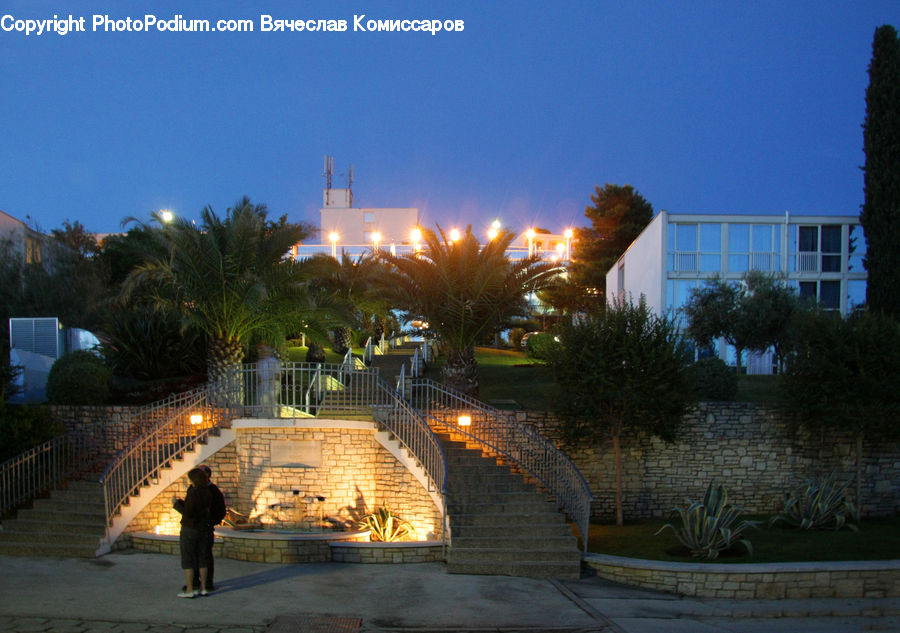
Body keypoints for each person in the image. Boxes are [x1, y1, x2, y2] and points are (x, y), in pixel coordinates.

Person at [172, 467, 212, 598]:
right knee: (202, 558)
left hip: (191, 529)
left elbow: (189, 513)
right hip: (203, 528)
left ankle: (190, 589)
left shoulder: (194, 492)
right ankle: (204, 587)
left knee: (188, 558)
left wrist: (176, 504)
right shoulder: (207, 491)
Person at [190, 464, 225, 591]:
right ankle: (194, 581)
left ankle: (207, 583)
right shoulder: (193, 488)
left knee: (205, 556)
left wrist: (211, 522)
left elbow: (221, 510)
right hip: (193, 528)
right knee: (193, 556)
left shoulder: (213, 491)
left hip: (205, 528)